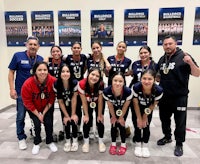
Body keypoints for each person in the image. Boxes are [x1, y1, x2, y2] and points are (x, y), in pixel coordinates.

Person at [157, 35, 200, 157]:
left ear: (175, 43)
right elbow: (159, 76)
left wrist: (190, 62)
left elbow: (197, 73)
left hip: (179, 97)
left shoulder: (184, 56)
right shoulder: (162, 59)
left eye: (170, 43)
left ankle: (179, 143)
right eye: (165, 44)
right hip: (164, 96)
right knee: (164, 119)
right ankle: (167, 137)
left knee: (180, 121)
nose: (168, 46)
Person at [8, 36, 43, 150]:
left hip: (35, 94)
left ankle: (34, 131)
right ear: (26, 45)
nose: (33, 46)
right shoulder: (18, 56)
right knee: (20, 116)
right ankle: (21, 137)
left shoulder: (40, 59)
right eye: (30, 44)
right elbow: (11, 72)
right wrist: (12, 89)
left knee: (35, 116)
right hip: (21, 94)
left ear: (38, 47)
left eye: (35, 44)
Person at [21, 61, 58, 155]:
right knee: (37, 125)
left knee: (49, 123)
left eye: (45, 70)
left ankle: (49, 141)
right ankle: (37, 142)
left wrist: (44, 113)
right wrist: (38, 114)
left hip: (47, 107)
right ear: (35, 71)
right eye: (40, 70)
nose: (42, 72)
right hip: (34, 109)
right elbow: (27, 101)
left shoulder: (53, 81)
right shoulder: (27, 83)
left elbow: (52, 99)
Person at [129, 45, 159, 144]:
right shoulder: (135, 64)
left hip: (149, 93)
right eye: (141, 53)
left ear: (149, 53)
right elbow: (132, 75)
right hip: (136, 92)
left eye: (145, 53)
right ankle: (137, 134)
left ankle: (145, 136)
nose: (143, 55)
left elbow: (158, 78)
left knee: (147, 114)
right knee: (135, 115)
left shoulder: (155, 65)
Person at [132, 69, 163, 158]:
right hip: (137, 107)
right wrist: (139, 117)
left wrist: (145, 117)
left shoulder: (159, 90)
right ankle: (138, 144)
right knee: (138, 125)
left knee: (146, 125)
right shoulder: (136, 87)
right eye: (144, 78)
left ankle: (145, 145)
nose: (146, 81)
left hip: (148, 108)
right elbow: (135, 103)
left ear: (154, 79)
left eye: (150, 79)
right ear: (140, 79)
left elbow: (153, 104)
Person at [62, 41, 89, 140]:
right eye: (74, 48)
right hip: (70, 85)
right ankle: (66, 128)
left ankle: (77, 129)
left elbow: (97, 55)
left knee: (79, 108)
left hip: (81, 86)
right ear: (71, 49)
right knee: (68, 106)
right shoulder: (67, 57)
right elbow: (55, 56)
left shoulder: (84, 56)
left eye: (78, 48)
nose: (76, 49)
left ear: (81, 49)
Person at [103, 72, 133, 155]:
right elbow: (110, 105)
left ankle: (123, 144)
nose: (117, 83)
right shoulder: (106, 91)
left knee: (121, 125)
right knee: (113, 125)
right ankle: (113, 144)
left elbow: (126, 106)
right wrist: (113, 117)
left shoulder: (128, 91)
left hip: (123, 110)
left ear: (124, 82)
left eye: (120, 81)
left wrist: (121, 118)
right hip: (113, 109)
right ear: (111, 81)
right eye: (115, 80)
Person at [107, 41, 132, 138]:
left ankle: (123, 127)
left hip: (122, 87)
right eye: (119, 46)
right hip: (111, 86)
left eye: (123, 47)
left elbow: (129, 72)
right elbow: (106, 73)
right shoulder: (110, 59)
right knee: (112, 107)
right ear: (117, 47)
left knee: (122, 108)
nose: (121, 48)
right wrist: (106, 69)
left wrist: (128, 74)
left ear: (125, 49)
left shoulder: (128, 61)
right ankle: (115, 127)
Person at [78, 68, 106, 153]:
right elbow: (83, 102)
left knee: (100, 120)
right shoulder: (81, 83)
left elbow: (101, 100)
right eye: (92, 74)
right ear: (88, 74)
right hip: (87, 102)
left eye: (97, 76)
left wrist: (100, 114)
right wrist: (86, 115)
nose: (94, 77)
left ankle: (101, 141)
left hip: (98, 103)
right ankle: (86, 142)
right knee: (87, 120)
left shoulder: (101, 84)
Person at [86, 41, 111, 138]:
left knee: (99, 110)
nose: (96, 50)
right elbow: (85, 70)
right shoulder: (88, 58)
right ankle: (91, 130)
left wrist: (106, 64)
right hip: (89, 87)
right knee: (88, 110)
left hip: (99, 87)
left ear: (101, 48)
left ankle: (98, 128)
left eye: (98, 48)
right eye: (94, 48)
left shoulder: (104, 60)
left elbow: (107, 74)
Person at [53, 64, 79, 152]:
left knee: (74, 120)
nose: (65, 73)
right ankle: (67, 141)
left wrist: (73, 114)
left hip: (75, 105)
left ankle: (75, 141)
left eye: (67, 71)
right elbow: (60, 101)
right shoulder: (56, 84)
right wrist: (66, 115)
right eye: (63, 71)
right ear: (59, 73)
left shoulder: (74, 82)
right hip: (64, 106)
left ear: (71, 73)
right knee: (66, 121)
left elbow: (74, 98)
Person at [44, 45, 65, 141]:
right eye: (53, 51)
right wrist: (46, 59)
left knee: (64, 110)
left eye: (58, 51)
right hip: (50, 90)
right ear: (51, 53)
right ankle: (50, 132)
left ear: (61, 53)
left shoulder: (65, 63)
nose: (56, 53)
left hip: (62, 90)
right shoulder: (47, 64)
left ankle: (66, 130)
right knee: (49, 111)